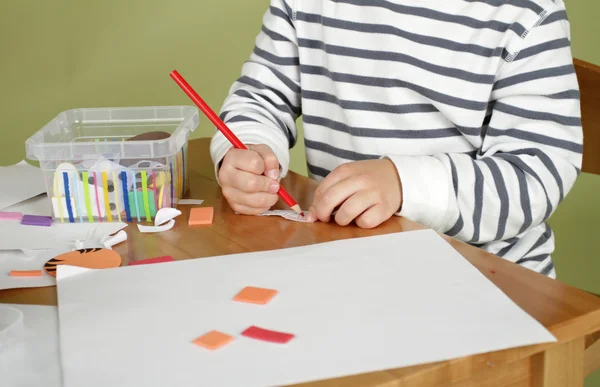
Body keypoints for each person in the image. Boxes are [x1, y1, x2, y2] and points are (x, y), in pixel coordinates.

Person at [210, 0, 582, 278]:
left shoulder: (527, 13)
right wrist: (247, 149)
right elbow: (260, 98)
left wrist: (404, 185)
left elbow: (535, 176)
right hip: (345, 263)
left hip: (489, 279)